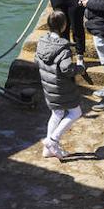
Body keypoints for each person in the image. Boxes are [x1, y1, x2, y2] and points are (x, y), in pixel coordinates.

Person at [35, 10, 84, 159]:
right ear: (63, 26)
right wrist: (80, 67)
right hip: (62, 88)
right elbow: (67, 69)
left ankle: (48, 151)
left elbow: (36, 60)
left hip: (48, 87)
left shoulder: (42, 42)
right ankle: (52, 140)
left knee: (56, 113)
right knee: (76, 112)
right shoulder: (63, 48)